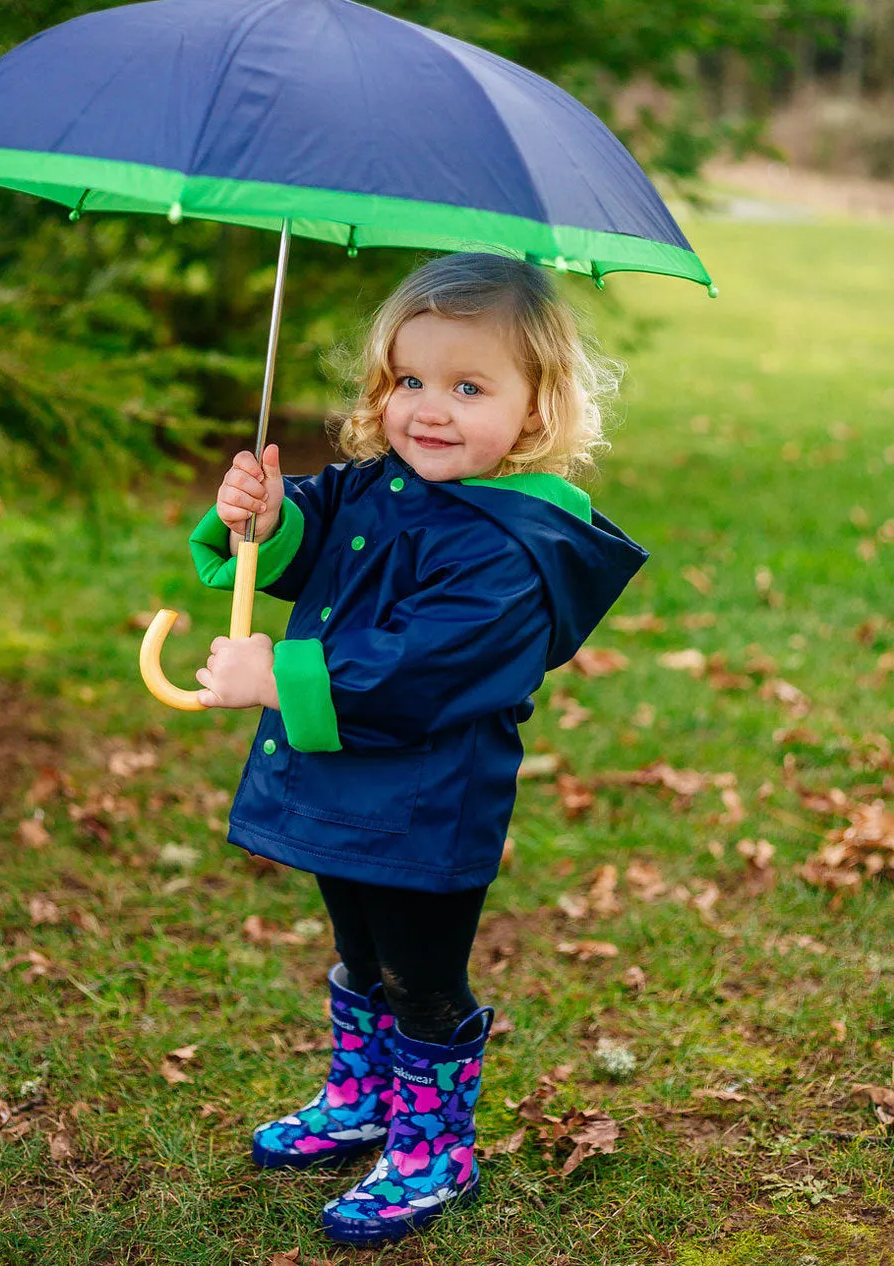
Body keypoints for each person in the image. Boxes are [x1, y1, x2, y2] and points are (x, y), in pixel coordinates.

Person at [187, 252, 647, 1245]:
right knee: (357, 947)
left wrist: (277, 679)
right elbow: (325, 540)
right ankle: (363, 1099)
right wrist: (267, 521)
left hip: (426, 806)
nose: (429, 410)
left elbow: (417, 669)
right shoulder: (381, 489)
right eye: (410, 380)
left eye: (467, 387)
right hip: (341, 786)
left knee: (419, 974)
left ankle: (433, 1145)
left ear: (533, 411)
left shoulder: (512, 549)